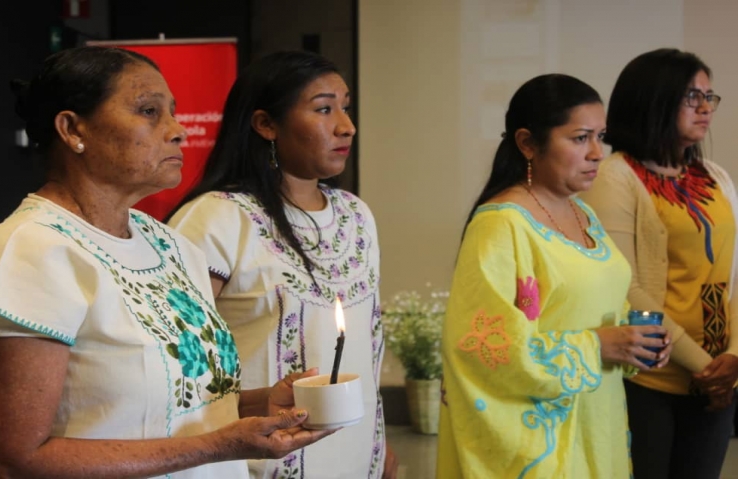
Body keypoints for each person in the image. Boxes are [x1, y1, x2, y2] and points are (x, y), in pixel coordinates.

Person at [0, 46, 334, 479]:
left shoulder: (170, 246)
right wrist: (218, 445)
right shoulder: (30, 254)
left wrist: (262, 405)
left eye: (173, 112)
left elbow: (159, 410)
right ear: (72, 129)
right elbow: (8, 462)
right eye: (149, 111)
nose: (178, 130)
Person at [168, 50, 397, 479]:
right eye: (323, 109)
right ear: (265, 124)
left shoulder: (355, 214)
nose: (346, 126)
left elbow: (366, 351)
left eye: (345, 107)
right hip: (257, 460)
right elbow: (176, 360)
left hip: (357, 452)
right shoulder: (218, 217)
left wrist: (381, 444)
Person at [436, 74, 673, 478]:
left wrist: (633, 342)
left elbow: (595, 305)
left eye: (601, 137)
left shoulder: (584, 214)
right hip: (546, 438)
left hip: (598, 421)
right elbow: (484, 350)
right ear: (528, 143)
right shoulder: (501, 224)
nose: (597, 153)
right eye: (580, 138)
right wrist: (597, 347)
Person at [580, 48, 738, 479]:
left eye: (709, 96)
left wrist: (732, 358)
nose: (705, 108)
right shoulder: (615, 176)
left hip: (720, 377)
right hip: (653, 379)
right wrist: (705, 366)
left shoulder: (714, 176)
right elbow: (626, 287)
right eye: (692, 97)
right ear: (653, 100)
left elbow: (734, 277)